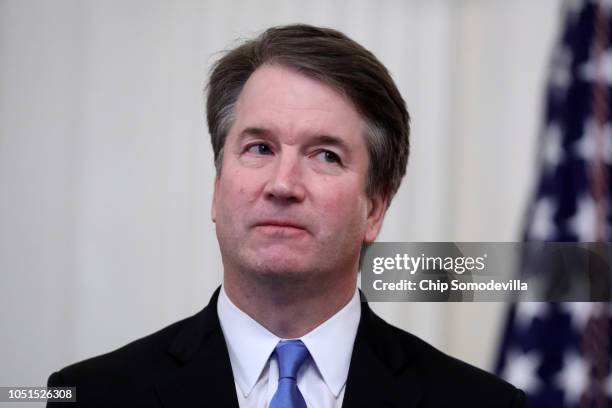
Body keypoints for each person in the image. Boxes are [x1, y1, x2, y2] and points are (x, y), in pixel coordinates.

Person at [47, 24, 526, 407]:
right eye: (259, 148)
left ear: (374, 209)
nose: (282, 185)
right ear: (217, 190)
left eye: (325, 156)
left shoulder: (483, 403)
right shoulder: (90, 395)